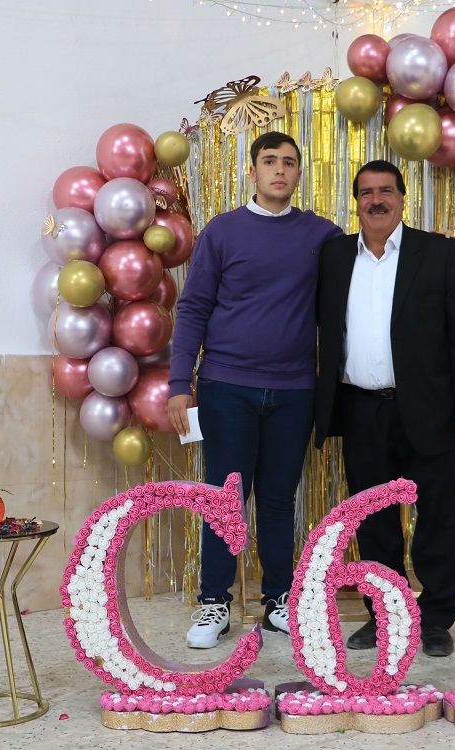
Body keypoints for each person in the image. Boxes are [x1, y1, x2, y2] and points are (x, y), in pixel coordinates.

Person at [167, 131, 342, 649]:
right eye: (270, 161)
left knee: (278, 500)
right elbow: (193, 308)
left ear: (299, 173)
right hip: (227, 386)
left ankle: (278, 600)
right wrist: (180, 384)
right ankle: (214, 603)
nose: (279, 170)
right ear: (253, 171)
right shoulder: (222, 232)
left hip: (295, 391)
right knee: (225, 497)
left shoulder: (324, 236)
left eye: (289, 162)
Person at [315, 160, 455, 657]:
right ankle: (385, 616)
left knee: (437, 518)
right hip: (360, 409)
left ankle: (435, 621)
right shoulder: (334, 256)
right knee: (373, 520)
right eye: (366, 192)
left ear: (403, 198)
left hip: (431, 409)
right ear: (356, 203)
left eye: (386, 190)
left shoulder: (440, 252)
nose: (376, 200)